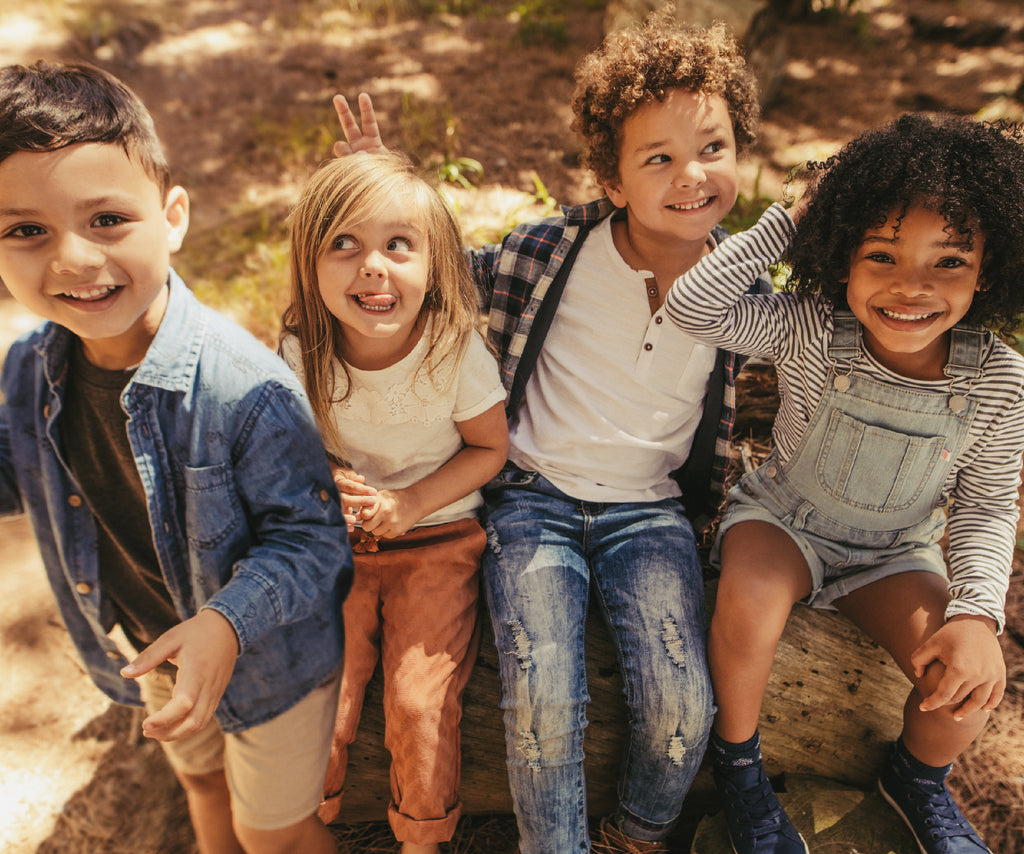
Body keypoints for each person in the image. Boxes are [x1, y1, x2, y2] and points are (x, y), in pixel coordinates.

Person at [331, 10, 769, 852]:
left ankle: (637, 831)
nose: (692, 177)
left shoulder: (744, 289)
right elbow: (444, 275)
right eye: (660, 159)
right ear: (612, 181)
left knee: (682, 705)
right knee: (542, 696)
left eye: (713, 150)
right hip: (533, 496)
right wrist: (384, 189)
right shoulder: (553, 252)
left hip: (650, 511)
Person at [0, 61, 352, 854]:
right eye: (27, 230)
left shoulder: (242, 387)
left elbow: (312, 543)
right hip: (150, 647)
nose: (73, 260)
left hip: (267, 663)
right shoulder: (31, 367)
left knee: (277, 833)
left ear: (174, 216)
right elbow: (17, 469)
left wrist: (224, 627)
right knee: (198, 778)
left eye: (107, 221)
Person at [663, 112, 1024, 854]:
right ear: (841, 257)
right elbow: (690, 309)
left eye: (948, 263)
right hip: (785, 522)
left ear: (989, 270)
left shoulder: (998, 378)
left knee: (966, 691)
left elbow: (988, 505)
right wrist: (789, 219)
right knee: (750, 605)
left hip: (895, 554)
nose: (910, 288)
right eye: (882, 256)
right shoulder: (810, 328)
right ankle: (737, 764)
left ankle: (916, 782)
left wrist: (979, 615)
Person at [278, 152, 509, 854]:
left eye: (396, 246)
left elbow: (489, 450)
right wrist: (326, 475)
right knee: (326, 692)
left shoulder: (453, 350)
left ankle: (422, 838)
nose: (371, 266)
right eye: (342, 244)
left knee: (418, 701)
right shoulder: (303, 348)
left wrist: (410, 503)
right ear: (309, 265)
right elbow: (295, 447)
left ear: (435, 265)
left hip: (437, 542)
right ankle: (301, 822)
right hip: (342, 544)